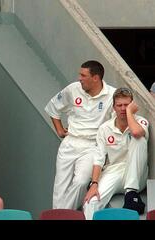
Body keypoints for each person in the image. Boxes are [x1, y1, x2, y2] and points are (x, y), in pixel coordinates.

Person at [45, 60, 116, 210]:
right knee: (60, 187)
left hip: (92, 145)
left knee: (82, 181)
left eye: (83, 75)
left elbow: (115, 124)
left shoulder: (111, 95)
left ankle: (60, 216)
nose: (79, 78)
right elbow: (53, 107)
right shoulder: (73, 89)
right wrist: (59, 129)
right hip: (70, 142)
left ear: (95, 78)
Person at [83, 88, 148, 219]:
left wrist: (130, 112)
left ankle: (131, 193)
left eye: (127, 105)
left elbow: (136, 132)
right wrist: (94, 184)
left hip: (137, 175)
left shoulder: (141, 122)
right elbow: (99, 158)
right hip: (115, 171)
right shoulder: (105, 128)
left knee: (138, 139)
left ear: (132, 105)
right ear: (113, 107)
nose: (123, 108)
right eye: (119, 105)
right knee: (91, 201)